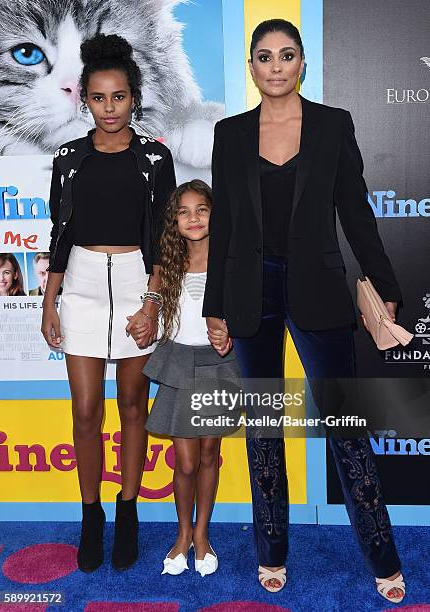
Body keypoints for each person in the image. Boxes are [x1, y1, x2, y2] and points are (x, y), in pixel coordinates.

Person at [203, 19, 405, 603]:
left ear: (302, 63)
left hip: (318, 288)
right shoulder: (229, 133)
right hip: (249, 291)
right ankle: (272, 552)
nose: (275, 66)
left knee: (346, 427)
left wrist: (384, 285)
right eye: (263, 57)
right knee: (264, 429)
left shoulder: (332, 126)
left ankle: (384, 558)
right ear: (251, 66)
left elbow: (357, 214)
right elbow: (227, 228)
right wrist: (216, 305)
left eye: (286, 55)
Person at [41, 33, 176, 573]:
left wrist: (152, 303)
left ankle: (128, 511)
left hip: (139, 287)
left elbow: (166, 236)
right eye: (99, 98)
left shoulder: (155, 158)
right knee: (85, 411)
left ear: (133, 99)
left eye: (119, 97)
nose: (109, 107)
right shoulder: (68, 158)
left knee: (131, 407)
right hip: (80, 286)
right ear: (85, 101)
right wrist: (48, 304)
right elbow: (59, 233)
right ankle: (91, 514)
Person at [142, 180, 240, 576]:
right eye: (184, 211)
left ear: (215, 214)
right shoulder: (167, 263)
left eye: (202, 209)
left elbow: (247, 311)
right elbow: (152, 308)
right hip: (179, 364)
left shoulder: (231, 261)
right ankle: (182, 534)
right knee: (184, 463)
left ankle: (202, 535)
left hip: (218, 367)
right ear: (174, 221)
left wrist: (230, 329)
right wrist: (143, 316)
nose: (194, 218)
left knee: (207, 455)